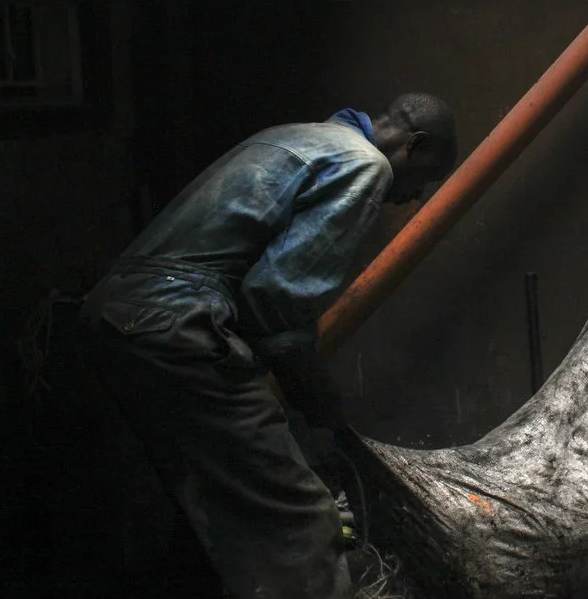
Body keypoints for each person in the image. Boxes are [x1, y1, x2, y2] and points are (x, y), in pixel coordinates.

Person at [79, 93, 457, 599]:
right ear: (415, 145)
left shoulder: (295, 135)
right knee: (300, 518)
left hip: (115, 314)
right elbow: (275, 296)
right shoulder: (365, 165)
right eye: (423, 181)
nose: (412, 198)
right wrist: (314, 394)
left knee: (212, 502)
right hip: (175, 322)